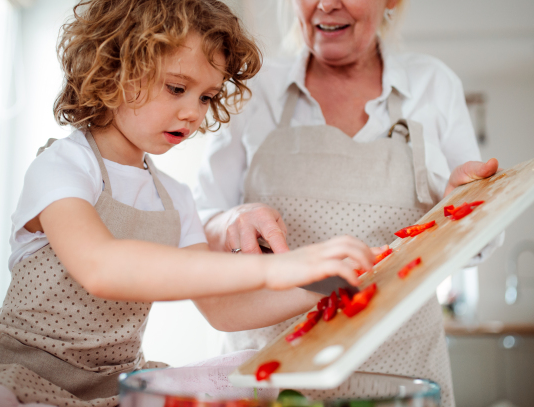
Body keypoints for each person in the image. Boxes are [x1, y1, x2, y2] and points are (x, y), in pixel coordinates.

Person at [0, 1, 379, 406]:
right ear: (113, 72)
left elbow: (225, 310)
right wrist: (279, 266)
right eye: (176, 88)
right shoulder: (63, 166)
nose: (193, 112)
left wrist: (326, 284)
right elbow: (102, 268)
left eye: (206, 97)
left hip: (114, 385)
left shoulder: (175, 198)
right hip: (21, 378)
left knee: (243, 371)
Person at [194, 0, 501, 406]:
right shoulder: (255, 87)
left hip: (400, 375)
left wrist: (460, 210)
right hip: (271, 375)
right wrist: (233, 218)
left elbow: (477, 242)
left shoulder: (433, 85)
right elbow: (201, 223)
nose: (326, 3)